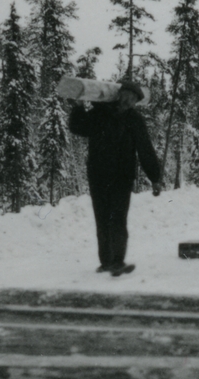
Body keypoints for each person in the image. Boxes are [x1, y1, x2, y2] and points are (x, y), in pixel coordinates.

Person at [68, 80, 163, 276]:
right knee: (102, 218)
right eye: (127, 95)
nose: (129, 100)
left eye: (133, 99)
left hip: (122, 177)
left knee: (118, 218)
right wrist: (77, 108)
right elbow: (79, 128)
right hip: (98, 175)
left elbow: (145, 149)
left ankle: (117, 261)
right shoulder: (100, 113)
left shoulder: (134, 120)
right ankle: (106, 262)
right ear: (119, 94)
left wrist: (155, 177)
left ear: (136, 102)